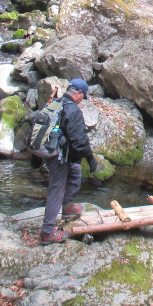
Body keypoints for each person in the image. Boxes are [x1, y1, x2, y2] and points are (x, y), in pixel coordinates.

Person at [40, 79, 98, 244]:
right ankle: (47, 232)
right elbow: (79, 140)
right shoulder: (72, 111)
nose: (82, 101)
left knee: (75, 171)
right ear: (78, 93)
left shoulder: (55, 103)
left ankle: (67, 208)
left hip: (52, 151)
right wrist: (91, 158)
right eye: (83, 97)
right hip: (57, 156)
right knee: (56, 190)